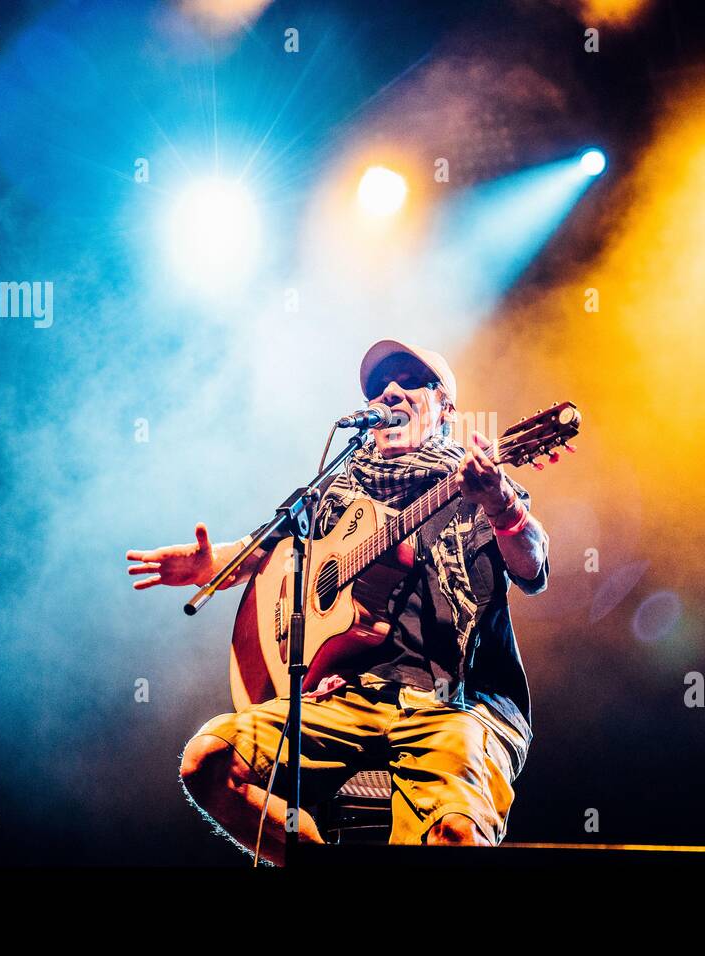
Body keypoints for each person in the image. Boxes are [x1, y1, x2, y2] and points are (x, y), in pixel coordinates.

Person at [125, 339, 550, 863]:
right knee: (209, 761)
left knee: (455, 834)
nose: (390, 391)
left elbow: (533, 568)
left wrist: (503, 504)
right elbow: (272, 550)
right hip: (346, 699)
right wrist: (213, 564)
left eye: (409, 382)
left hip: (455, 705)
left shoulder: (477, 481)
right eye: (379, 386)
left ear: (445, 408)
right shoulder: (336, 493)